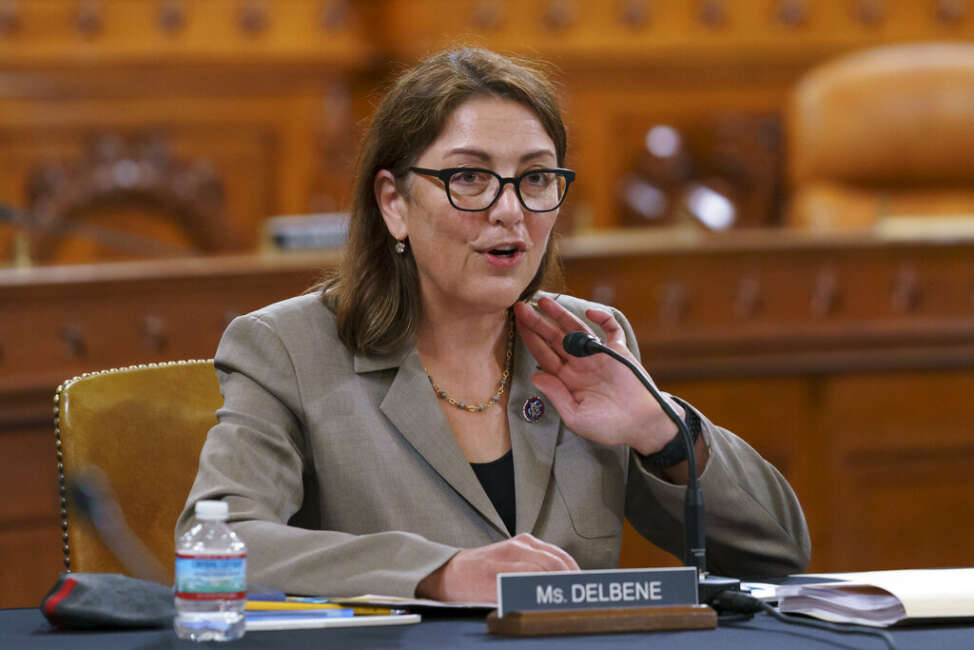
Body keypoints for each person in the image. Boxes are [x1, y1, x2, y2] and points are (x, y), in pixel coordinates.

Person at [176, 47, 810, 602]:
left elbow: (777, 554)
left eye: (535, 178)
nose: (510, 211)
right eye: (470, 178)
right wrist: (438, 573)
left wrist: (660, 430)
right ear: (394, 203)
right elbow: (217, 549)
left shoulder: (583, 345)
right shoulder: (288, 348)